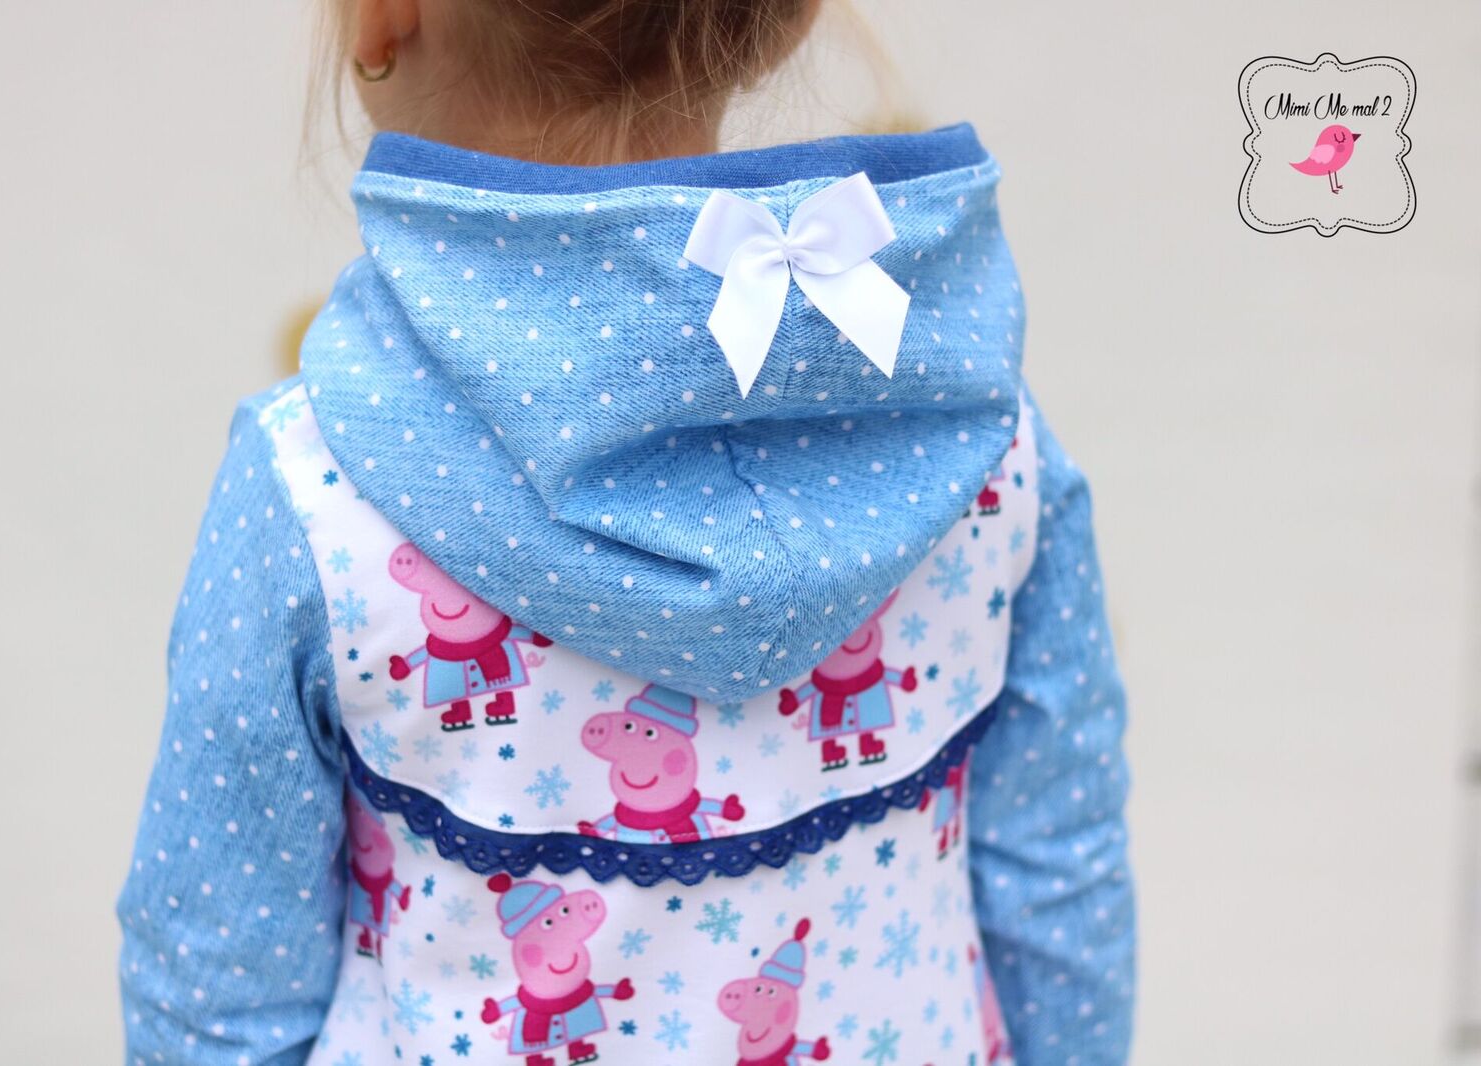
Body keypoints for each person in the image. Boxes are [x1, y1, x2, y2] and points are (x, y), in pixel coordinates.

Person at [116, 2, 1135, 1063]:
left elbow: (218, 989)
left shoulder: (311, 489)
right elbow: (1060, 891)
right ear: (790, 17)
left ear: (386, 17)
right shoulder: (978, 442)